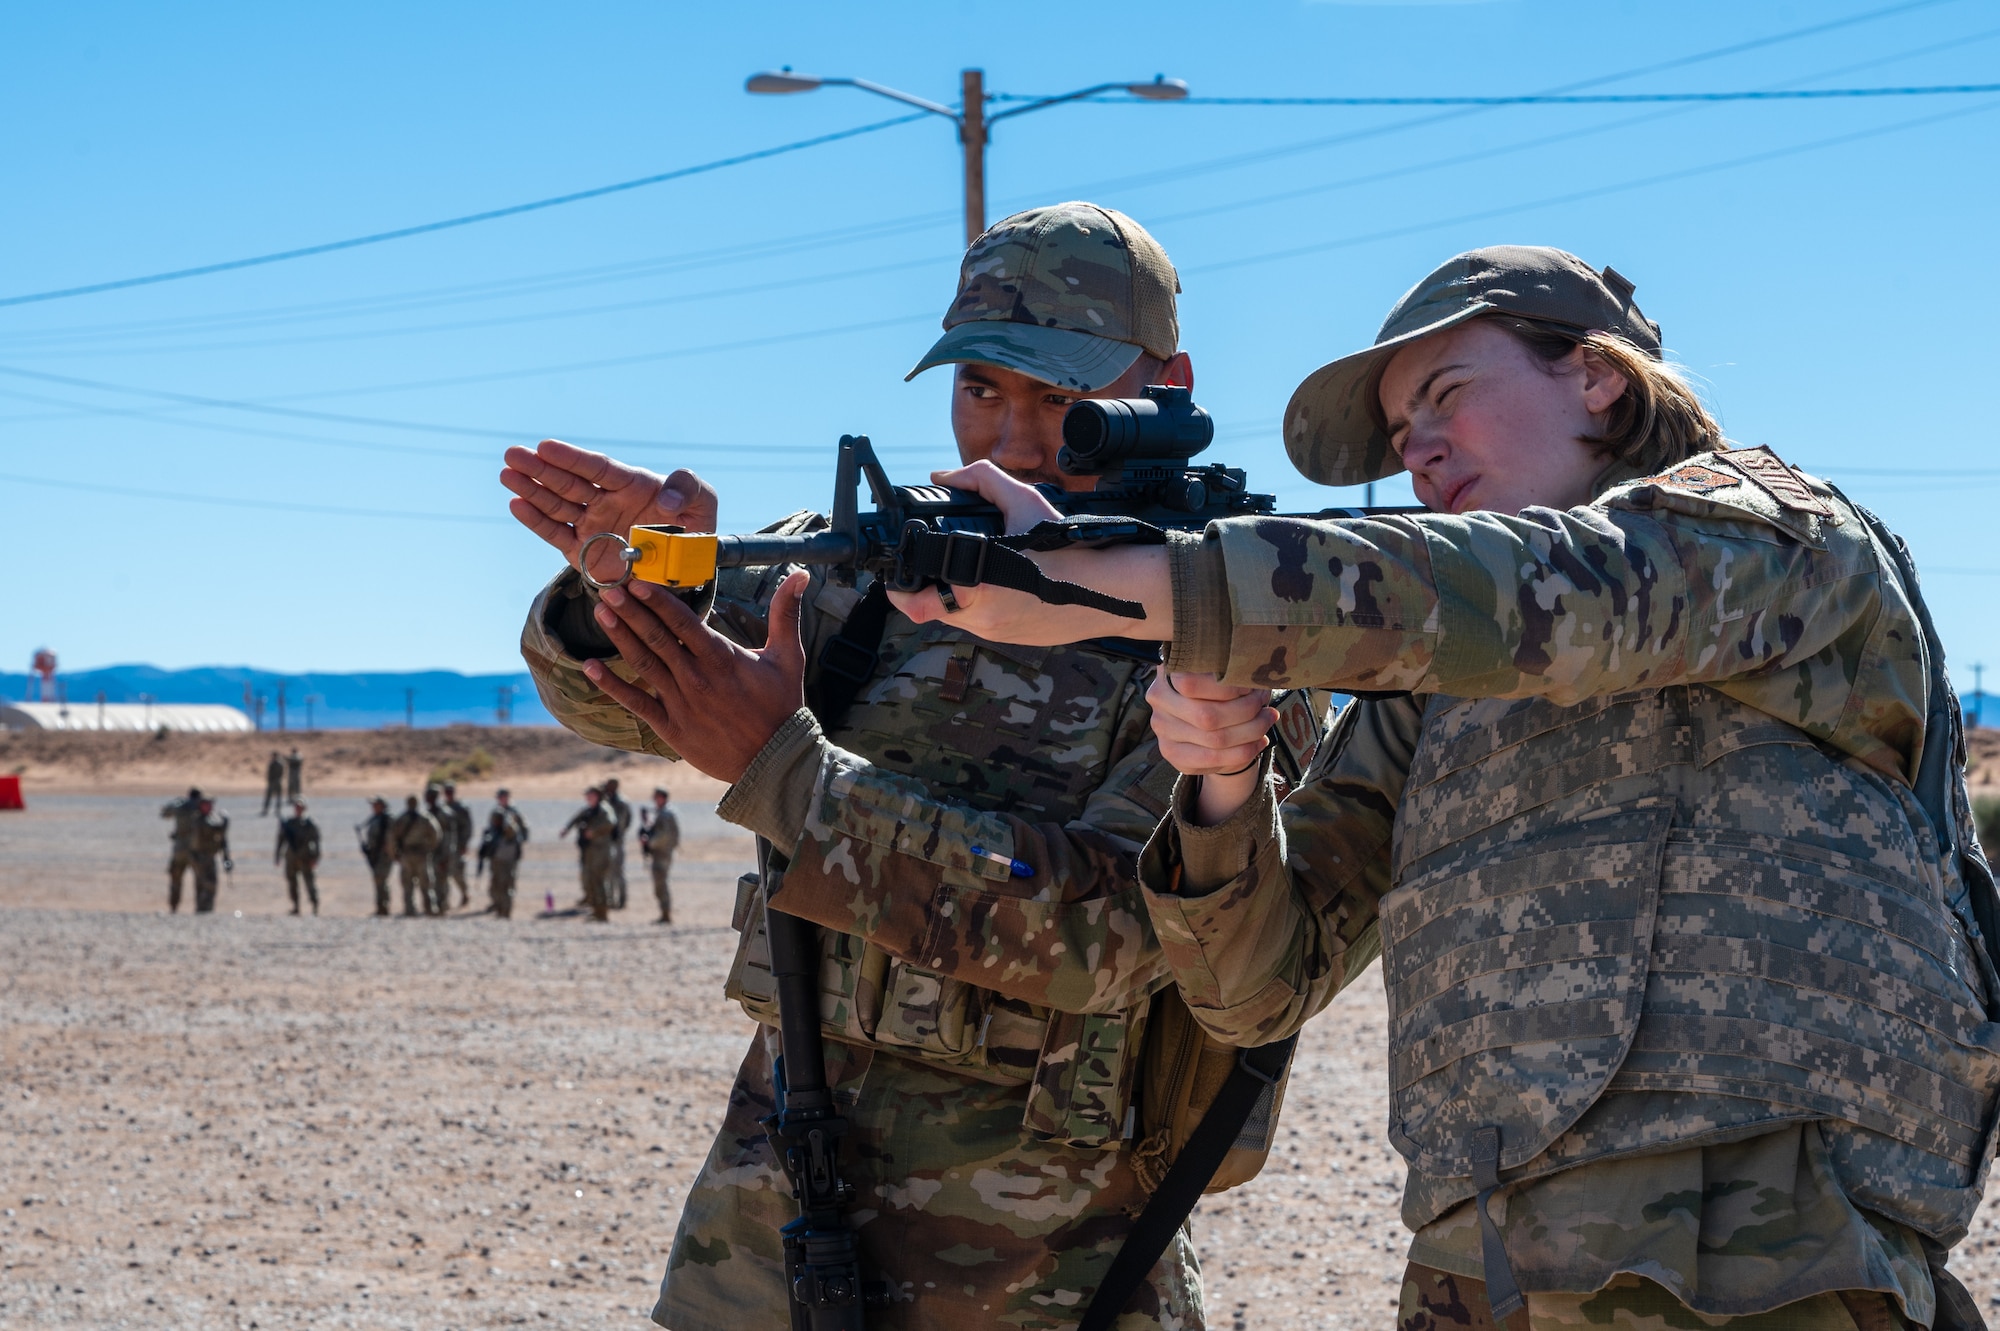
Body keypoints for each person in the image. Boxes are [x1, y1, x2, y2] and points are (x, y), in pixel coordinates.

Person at [893, 246, 2000, 1329]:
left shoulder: (1771, 536)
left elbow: (1556, 594)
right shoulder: (1428, 689)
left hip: (1756, 1241)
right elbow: (1254, 989)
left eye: (1445, 393)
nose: (1417, 449)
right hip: (1482, 1257)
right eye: (1397, 432)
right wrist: (1223, 779)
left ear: (1595, 375)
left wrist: (1124, 587)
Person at [506, 203, 1207, 1331]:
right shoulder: (859, 569)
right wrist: (629, 586)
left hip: (1046, 1263)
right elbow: (605, 697)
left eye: (1061, 399)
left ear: (1166, 384)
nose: (1012, 440)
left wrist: (787, 772)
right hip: (770, 1234)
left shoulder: (1220, 621)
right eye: (980, 387)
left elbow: (1114, 935)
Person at [559, 786, 617, 922]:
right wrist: (566, 829)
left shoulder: (604, 809)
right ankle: (597, 911)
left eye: (590, 795)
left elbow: (610, 822)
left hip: (601, 852)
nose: (588, 798)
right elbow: (576, 818)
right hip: (590, 852)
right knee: (591, 881)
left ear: (597, 796)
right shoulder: (589, 810)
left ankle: (602, 913)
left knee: (600, 881)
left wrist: (594, 832)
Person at [387, 794, 441, 917]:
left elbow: (391, 839)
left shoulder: (401, 819)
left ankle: (409, 910)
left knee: (408, 884)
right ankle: (430, 908)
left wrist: (394, 854)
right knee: (425, 883)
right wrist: (430, 848)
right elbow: (436, 834)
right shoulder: (425, 817)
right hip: (421, 855)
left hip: (406, 855)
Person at [637, 787, 680, 925]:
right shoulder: (663, 813)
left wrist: (649, 842)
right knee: (659, 882)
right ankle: (664, 913)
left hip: (662, 853)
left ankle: (665, 914)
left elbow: (664, 835)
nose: (654, 800)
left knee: (660, 882)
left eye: (656, 797)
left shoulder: (666, 814)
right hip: (661, 852)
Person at [161, 785, 204, 913]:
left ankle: (174, 907)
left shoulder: (181, 806)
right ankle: (200, 908)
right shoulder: (199, 807)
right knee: (200, 879)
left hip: (179, 850)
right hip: (195, 850)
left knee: (176, 880)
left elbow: (165, 813)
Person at [274, 798, 321, 915]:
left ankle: (314, 905)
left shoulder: (310, 824)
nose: (298, 809)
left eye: (300, 807)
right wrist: (277, 856)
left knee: (309, 882)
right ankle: (296, 906)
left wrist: (315, 858)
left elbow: (316, 841)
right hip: (291, 858)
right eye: (296, 807)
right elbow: (280, 840)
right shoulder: (289, 823)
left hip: (305, 857)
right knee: (292, 882)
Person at [477, 808, 524, 918]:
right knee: (495, 888)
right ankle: (499, 909)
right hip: (496, 863)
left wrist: (509, 821)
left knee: (506, 888)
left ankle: (506, 912)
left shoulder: (509, 830)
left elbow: (512, 831)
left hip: (508, 864)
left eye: (497, 819)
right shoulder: (492, 831)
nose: (495, 821)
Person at [188, 797, 231, 914]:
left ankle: (204, 909)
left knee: (204, 883)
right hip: (202, 858)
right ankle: (204, 909)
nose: (209, 807)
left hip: (205, 857)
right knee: (207, 884)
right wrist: (226, 820)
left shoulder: (205, 819)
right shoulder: (200, 821)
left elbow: (221, 839)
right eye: (206, 805)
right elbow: (217, 829)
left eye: (210, 805)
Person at [357, 796, 394, 916]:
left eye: (375, 805)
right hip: (375, 854)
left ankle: (385, 906)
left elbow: (392, 836)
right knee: (377, 880)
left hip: (384, 855)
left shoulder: (387, 819)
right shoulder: (374, 819)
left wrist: (389, 849)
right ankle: (380, 906)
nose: (373, 807)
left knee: (382, 879)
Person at [440, 780, 474, 908]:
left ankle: (464, 893)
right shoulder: (442, 808)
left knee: (456, 873)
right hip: (443, 847)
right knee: (443, 874)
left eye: (450, 792)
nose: (448, 794)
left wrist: (464, 844)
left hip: (457, 846)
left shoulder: (461, 808)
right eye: (447, 792)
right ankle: (445, 901)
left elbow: (467, 828)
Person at [601, 777, 632, 911]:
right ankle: (611, 900)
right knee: (610, 871)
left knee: (617, 871)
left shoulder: (619, 802)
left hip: (616, 840)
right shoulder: (611, 799)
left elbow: (621, 821)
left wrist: (619, 832)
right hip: (612, 839)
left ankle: (620, 900)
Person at [260, 751, 284, 816]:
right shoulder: (280, 763)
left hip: (273, 781)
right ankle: (276, 810)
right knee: (277, 797)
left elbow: (271, 773)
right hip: (277, 781)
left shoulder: (274, 763)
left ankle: (267, 809)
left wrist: (271, 780)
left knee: (271, 796)